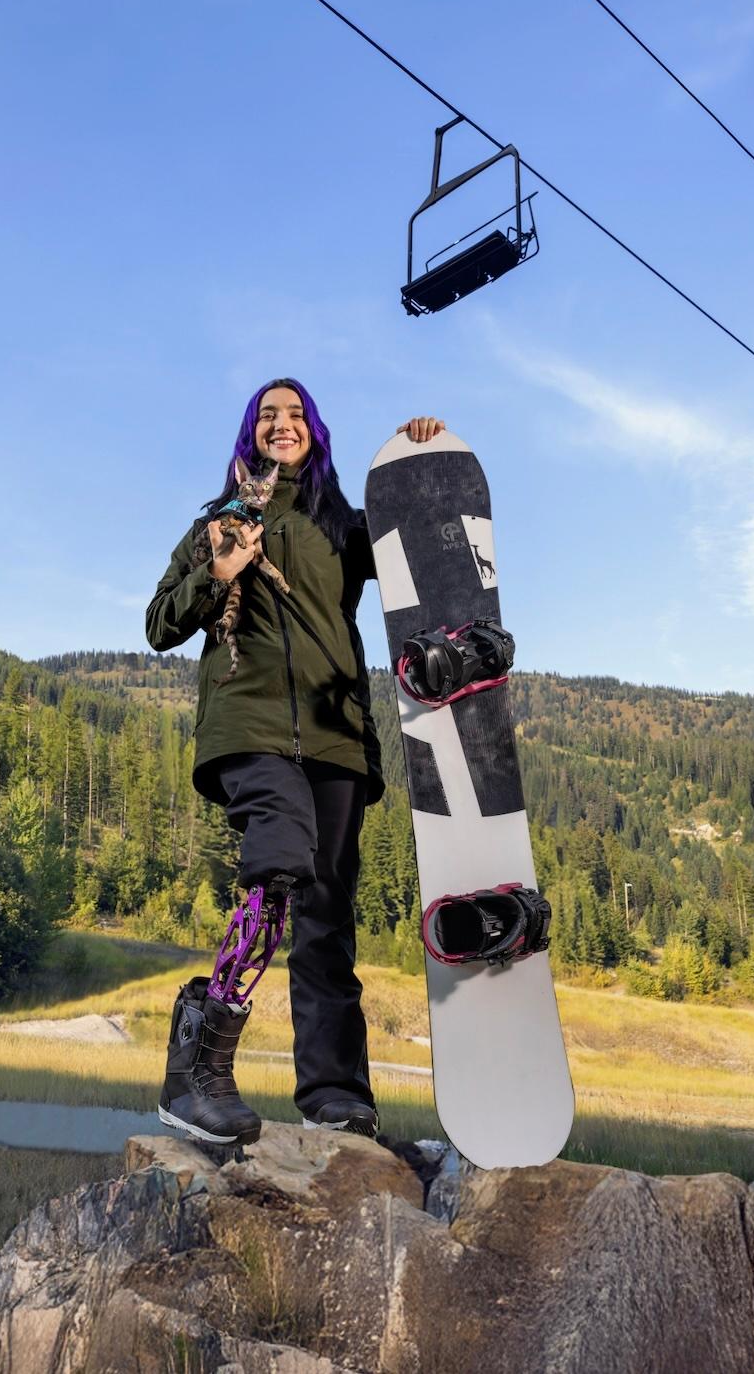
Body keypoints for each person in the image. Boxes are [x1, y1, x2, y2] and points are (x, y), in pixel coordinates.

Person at [145, 378, 444, 1144]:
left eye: (297, 415)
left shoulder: (338, 525)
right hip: (249, 729)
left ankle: (336, 1097)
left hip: (336, 736)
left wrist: (417, 456)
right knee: (279, 862)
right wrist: (222, 572)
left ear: (314, 434)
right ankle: (197, 1069)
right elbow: (158, 623)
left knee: (327, 922)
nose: (284, 424)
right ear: (250, 436)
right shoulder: (219, 523)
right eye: (267, 415)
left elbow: (416, 542)